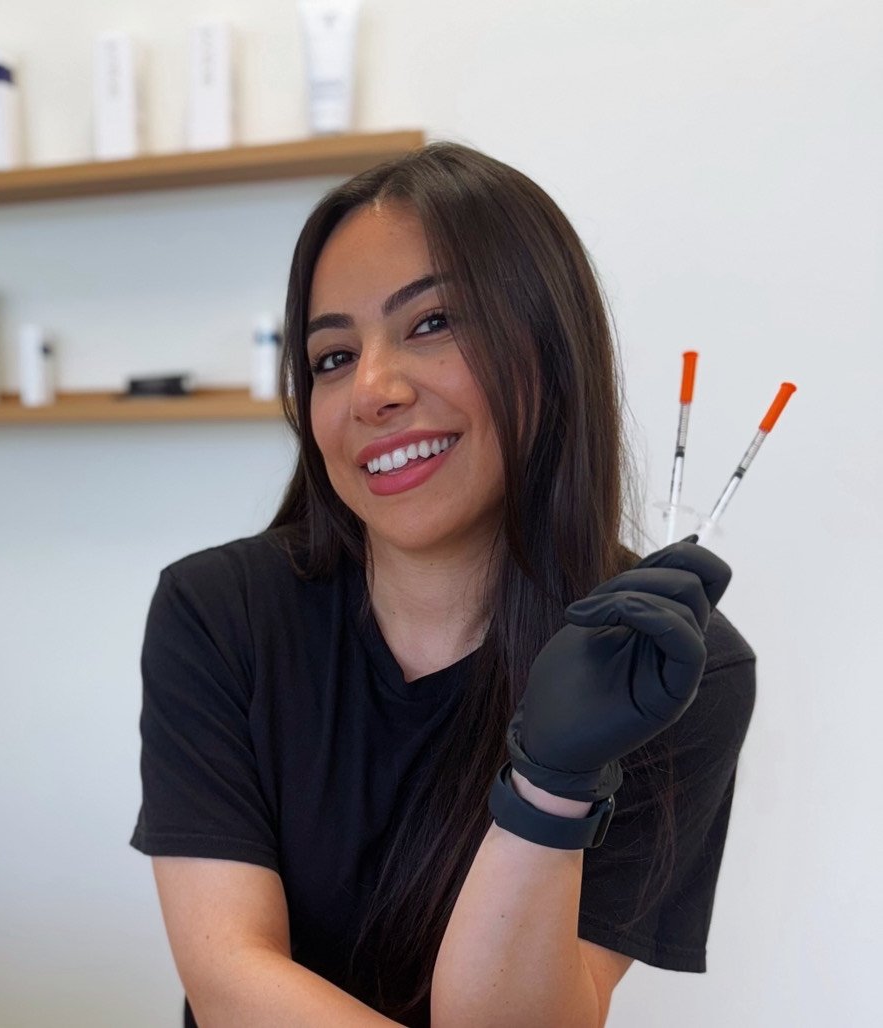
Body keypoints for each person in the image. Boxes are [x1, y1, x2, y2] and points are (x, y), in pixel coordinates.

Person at [130, 141, 756, 1028]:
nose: (371, 391)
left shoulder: (661, 670)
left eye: (430, 324)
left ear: (548, 348)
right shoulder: (219, 612)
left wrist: (553, 784)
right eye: (331, 357)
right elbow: (228, 976)